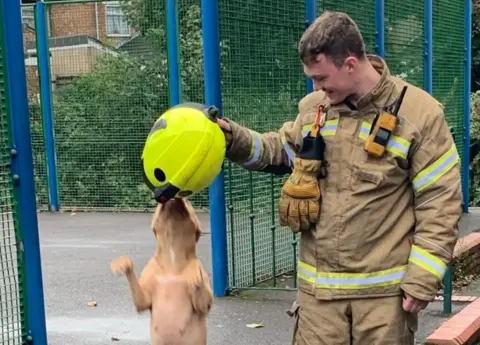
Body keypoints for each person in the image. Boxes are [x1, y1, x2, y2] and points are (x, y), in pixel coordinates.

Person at [216, 10, 463, 345]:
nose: (316, 87)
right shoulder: (316, 109)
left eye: (321, 78)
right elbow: (281, 151)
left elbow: (441, 202)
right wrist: (233, 139)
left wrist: (422, 279)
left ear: (349, 63)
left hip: (382, 302)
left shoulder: (419, 114)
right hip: (318, 300)